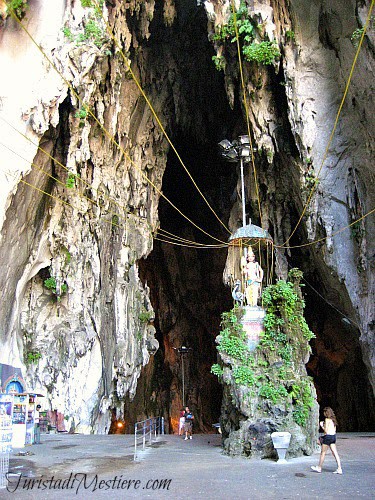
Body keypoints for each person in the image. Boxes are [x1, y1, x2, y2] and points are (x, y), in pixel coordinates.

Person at [311, 407, 342, 474]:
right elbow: (334, 430)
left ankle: (319, 467)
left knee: (323, 453)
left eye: (324, 413)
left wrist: (322, 425)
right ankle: (339, 468)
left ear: (326, 413)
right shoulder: (333, 420)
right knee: (335, 453)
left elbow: (326, 431)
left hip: (328, 437)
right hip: (333, 437)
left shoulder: (327, 420)